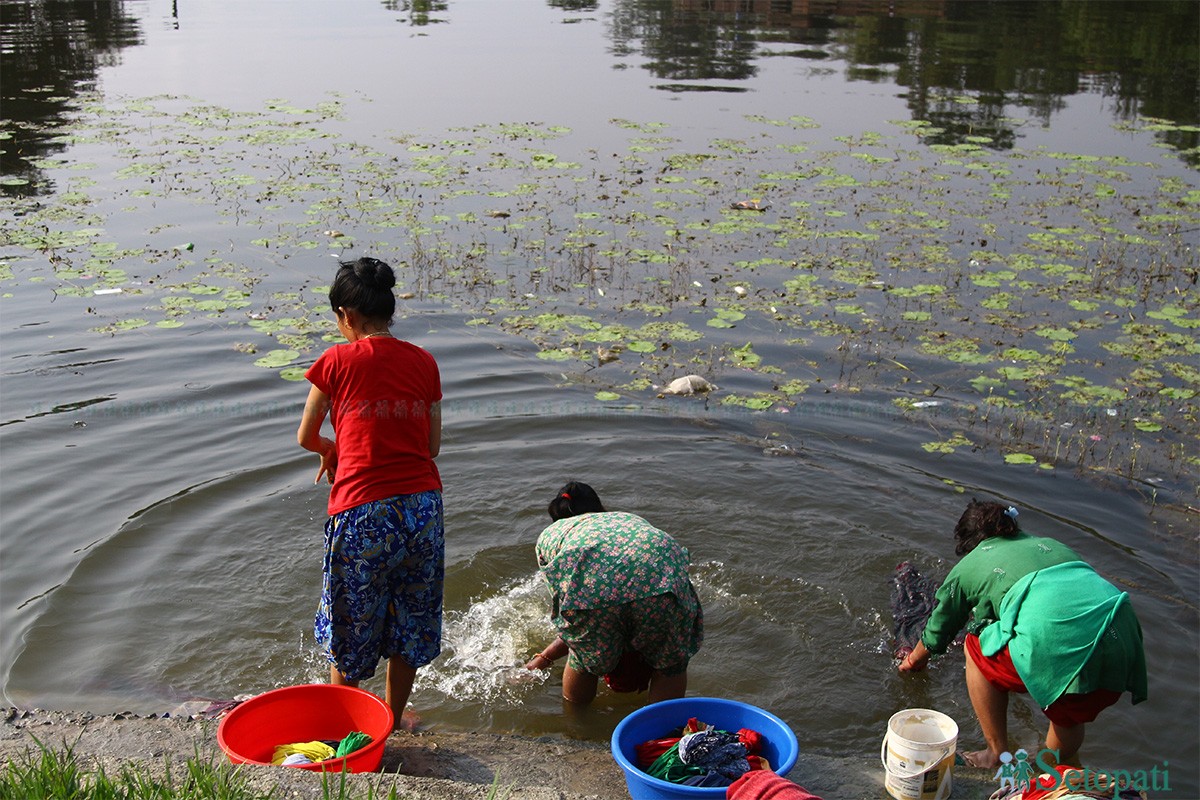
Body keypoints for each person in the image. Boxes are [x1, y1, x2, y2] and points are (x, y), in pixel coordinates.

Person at [296, 256, 443, 728]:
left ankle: (347, 732)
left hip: (362, 512)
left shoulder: (336, 361)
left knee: (350, 631)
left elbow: (305, 435)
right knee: (411, 625)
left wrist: (329, 450)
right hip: (423, 510)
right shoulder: (424, 361)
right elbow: (432, 446)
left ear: (347, 315)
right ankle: (393, 721)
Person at [899, 499, 1146, 769]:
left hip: (1058, 644)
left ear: (967, 541)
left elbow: (939, 629)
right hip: (1122, 636)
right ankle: (1047, 764)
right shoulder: (1051, 545)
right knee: (1068, 711)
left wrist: (914, 660)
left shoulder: (972, 563)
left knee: (975, 645)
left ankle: (995, 753)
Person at [525, 481, 703, 706]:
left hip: (596, 594)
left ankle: (577, 728)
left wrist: (542, 661)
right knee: (671, 664)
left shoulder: (552, 535)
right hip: (665, 586)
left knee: (584, 659)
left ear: (557, 516)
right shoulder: (628, 518)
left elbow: (571, 619)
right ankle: (663, 731)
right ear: (599, 507)